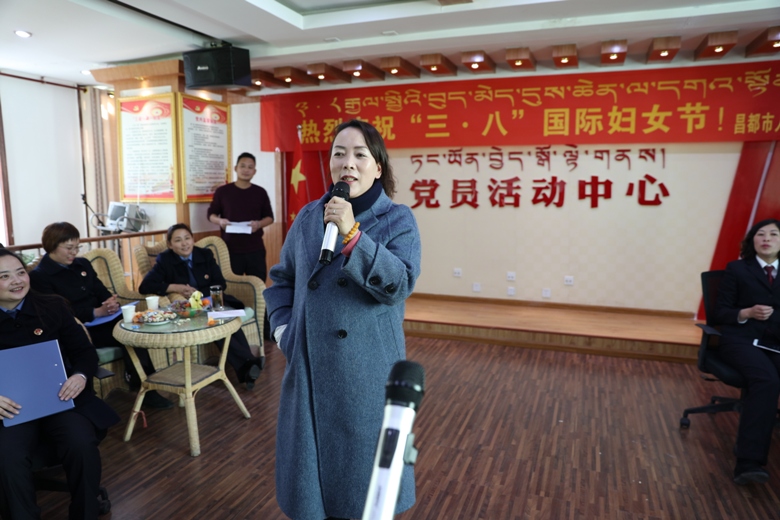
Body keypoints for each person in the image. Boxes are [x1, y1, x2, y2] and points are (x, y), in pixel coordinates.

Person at [264, 119, 422, 519]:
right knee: (313, 495)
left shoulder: (397, 219)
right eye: (339, 153)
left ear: (378, 167)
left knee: (363, 496)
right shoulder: (308, 217)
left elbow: (399, 284)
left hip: (365, 377)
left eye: (359, 154)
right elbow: (282, 281)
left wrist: (352, 235)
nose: (347, 162)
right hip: (309, 372)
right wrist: (284, 331)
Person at [0, 248, 120, 519]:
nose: (17, 281)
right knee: (7, 457)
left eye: (20, 273)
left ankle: (86, 512)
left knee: (81, 443)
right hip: (11, 409)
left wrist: (79, 376)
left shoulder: (53, 306)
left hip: (60, 399)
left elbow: (84, 352)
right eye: (4, 276)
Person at [29, 222, 173, 409]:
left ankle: (145, 386)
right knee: (128, 334)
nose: (74, 253)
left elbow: (100, 290)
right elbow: (57, 313)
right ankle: (144, 389)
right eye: (69, 248)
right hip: (79, 329)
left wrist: (110, 302)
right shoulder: (40, 276)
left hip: (104, 321)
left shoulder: (82, 264)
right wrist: (96, 312)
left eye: (77, 247)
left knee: (134, 329)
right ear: (52, 246)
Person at [138, 223, 264, 389]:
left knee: (226, 321)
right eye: (178, 240)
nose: (184, 243)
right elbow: (145, 286)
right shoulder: (165, 260)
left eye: (187, 238)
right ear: (170, 244)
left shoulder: (204, 254)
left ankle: (247, 367)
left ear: (193, 239)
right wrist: (175, 287)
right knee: (214, 322)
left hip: (213, 301)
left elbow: (220, 283)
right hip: (191, 309)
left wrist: (198, 293)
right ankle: (249, 365)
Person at [715, 218, 780, 485]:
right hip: (741, 340)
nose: (767, 239)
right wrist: (747, 313)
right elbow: (720, 312)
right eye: (761, 234)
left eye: (774, 234)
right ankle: (748, 462)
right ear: (752, 241)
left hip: (775, 342)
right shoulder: (737, 269)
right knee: (766, 380)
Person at [207, 152, 274, 281]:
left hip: (255, 248)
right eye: (242, 166)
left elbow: (270, 217)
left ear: (254, 171)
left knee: (258, 284)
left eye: (250, 167)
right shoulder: (223, 191)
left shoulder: (260, 192)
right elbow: (211, 214)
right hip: (229, 248)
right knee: (231, 287)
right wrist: (220, 221)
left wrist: (258, 224)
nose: (246, 170)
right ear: (235, 168)